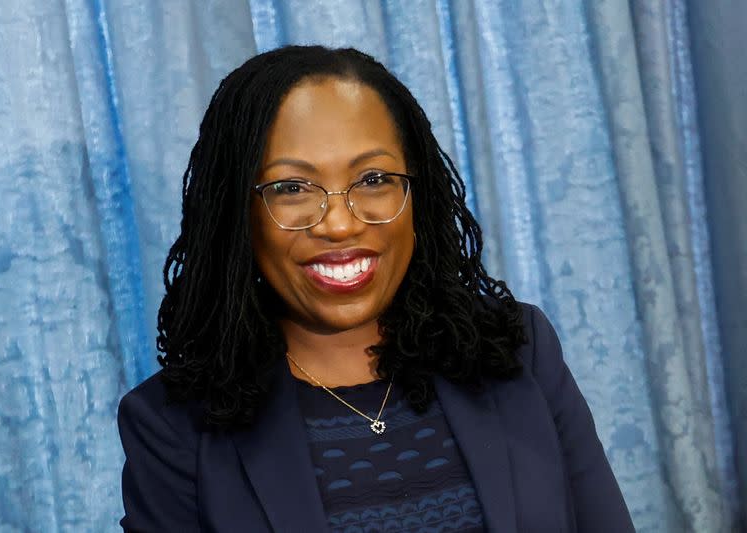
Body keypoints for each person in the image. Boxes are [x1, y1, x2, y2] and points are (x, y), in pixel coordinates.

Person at [117, 45, 635, 532]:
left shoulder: (518, 350)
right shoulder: (171, 427)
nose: (340, 225)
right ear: (238, 216)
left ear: (418, 194)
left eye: (373, 180)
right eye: (291, 188)